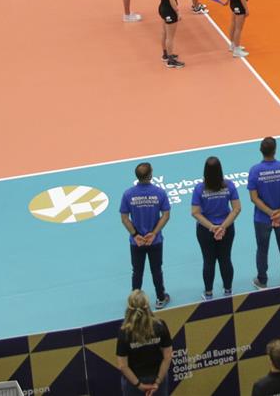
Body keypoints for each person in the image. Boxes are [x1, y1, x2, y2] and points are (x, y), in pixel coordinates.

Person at [119, 162, 171, 308]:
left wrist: (136, 235)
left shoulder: (128, 194)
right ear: (150, 175)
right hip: (154, 241)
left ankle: (135, 303)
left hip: (137, 242)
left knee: (137, 272)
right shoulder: (160, 193)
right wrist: (154, 233)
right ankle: (161, 298)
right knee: (156, 270)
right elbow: (166, 215)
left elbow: (124, 218)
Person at [248, 136, 280, 289]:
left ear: (261, 150)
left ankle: (262, 281)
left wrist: (270, 213)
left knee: (262, 249)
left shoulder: (255, 171)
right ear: (275, 150)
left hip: (262, 218)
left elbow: (254, 198)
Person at [191, 156, 241, 299]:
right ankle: (228, 291)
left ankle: (208, 293)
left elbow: (195, 212)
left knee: (209, 261)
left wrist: (212, 227)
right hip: (226, 230)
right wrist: (222, 227)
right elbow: (236, 209)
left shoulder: (199, 188)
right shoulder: (229, 185)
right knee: (225, 259)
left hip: (205, 230)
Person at [115, 290, 173, 395]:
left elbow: (122, 365)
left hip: (133, 383)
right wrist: (157, 382)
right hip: (157, 378)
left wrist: (139, 385)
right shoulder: (160, 325)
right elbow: (168, 356)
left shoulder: (125, 332)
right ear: (147, 306)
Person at [157, 0, 184, 68]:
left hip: (162, 8)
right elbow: (173, 2)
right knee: (170, 37)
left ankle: (165, 54)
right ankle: (170, 60)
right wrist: (178, 12)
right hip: (169, 11)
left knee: (164, 33)